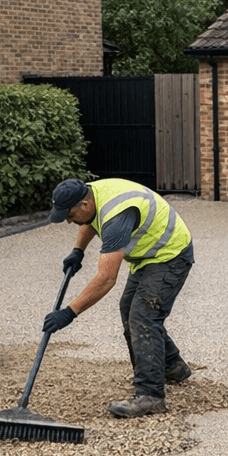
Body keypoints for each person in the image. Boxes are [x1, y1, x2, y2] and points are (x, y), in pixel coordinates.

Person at [43, 177, 194, 418]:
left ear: (83, 204)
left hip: (169, 255)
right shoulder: (94, 195)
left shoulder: (116, 215)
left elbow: (106, 279)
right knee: (129, 309)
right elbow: (91, 220)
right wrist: (78, 250)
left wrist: (69, 312)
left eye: (70, 215)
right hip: (148, 257)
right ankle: (172, 367)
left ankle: (150, 395)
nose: (70, 221)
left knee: (143, 317)